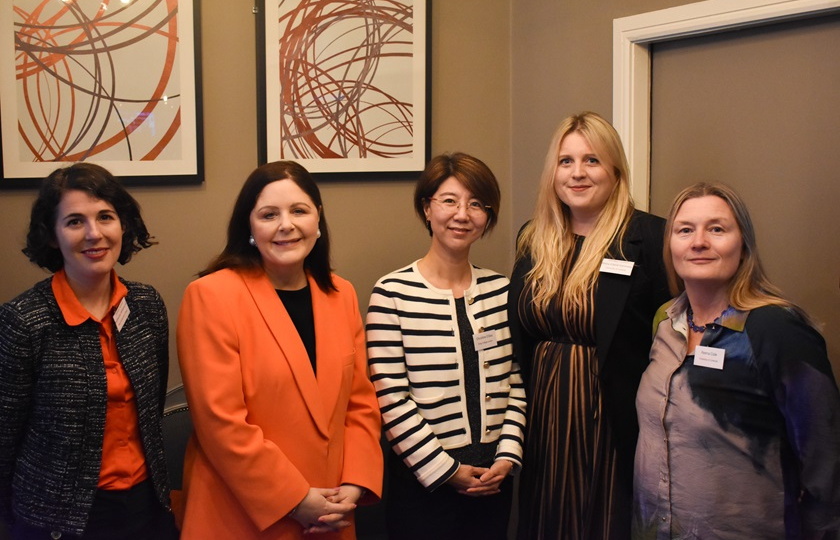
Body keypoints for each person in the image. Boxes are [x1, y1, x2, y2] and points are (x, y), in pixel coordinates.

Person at [176, 161, 383, 539]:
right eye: (269, 214)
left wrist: (353, 486)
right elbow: (221, 424)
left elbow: (361, 406)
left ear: (317, 219)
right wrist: (296, 499)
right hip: (241, 515)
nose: (286, 225)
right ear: (250, 227)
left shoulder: (342, 294)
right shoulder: (211, 296)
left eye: (299, 211)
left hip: (332, 513)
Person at [633, 182, 840, 539]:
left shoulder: (777, 330)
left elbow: (826, 464)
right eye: (685, 230)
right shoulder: (665, 322)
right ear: (670, 247)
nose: (699, 241)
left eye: (716, 229)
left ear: (743, 245)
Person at [509, 112, 670, 539]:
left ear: (615, 170)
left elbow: (674, 333)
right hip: (541, 420)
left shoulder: (649, 237)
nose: (577, 173)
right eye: (566, 161)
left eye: (592, 161)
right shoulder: (533, 238)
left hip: (610, 421)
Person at [0, 163, 176, 540]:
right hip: (56, 520)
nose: (94, 234)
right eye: (75, 221)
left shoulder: (146, 306)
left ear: (123, 225)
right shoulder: (23, 320)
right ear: (52, 235)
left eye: (105, 217)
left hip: (145, 507)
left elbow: (151, 410)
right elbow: (4, 438)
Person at [366, 152, 526, 540]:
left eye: (476, 204)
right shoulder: (392, 294)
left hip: (493, 480)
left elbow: (516, 381)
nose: (462, 214)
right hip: (424, 484)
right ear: (427, 208)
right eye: (450, 200)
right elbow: (390, 398)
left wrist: (506, 457)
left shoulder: (502, 291)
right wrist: (448, 471)